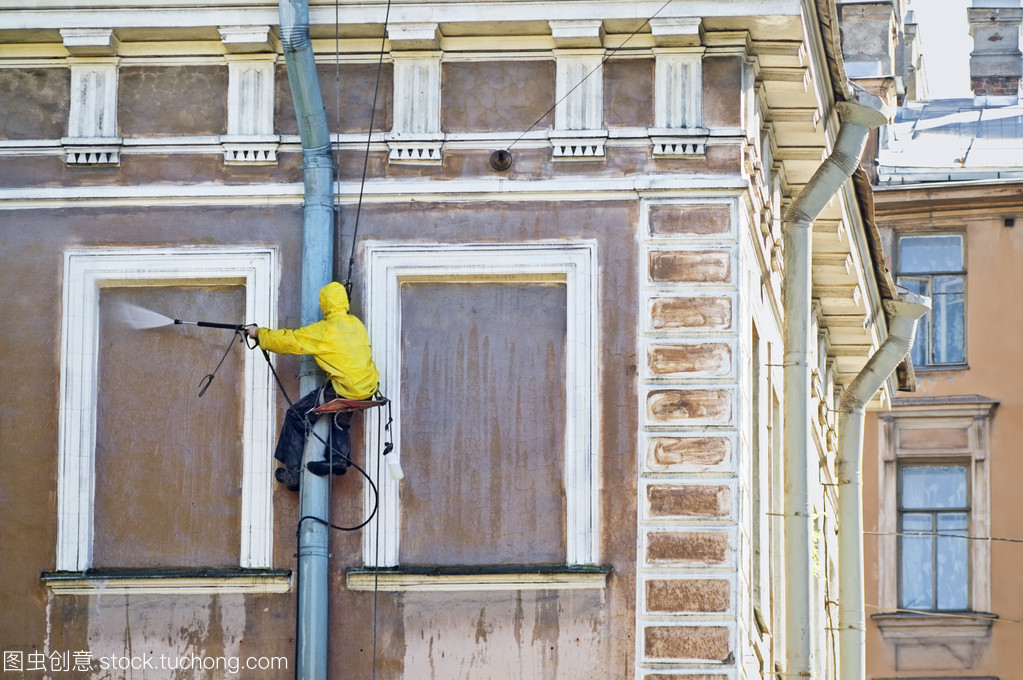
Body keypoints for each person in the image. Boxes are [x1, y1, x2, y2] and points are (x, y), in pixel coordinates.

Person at [247, 281, 379, 491]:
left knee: (296, 416)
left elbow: (290, 341)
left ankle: (292, 476)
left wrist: (259, 334)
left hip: (344, 389)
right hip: (366, 390)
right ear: (344, 302)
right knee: (340, 417)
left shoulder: (325, 330)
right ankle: (338, 459)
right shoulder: (355, 324)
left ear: (324, 304)